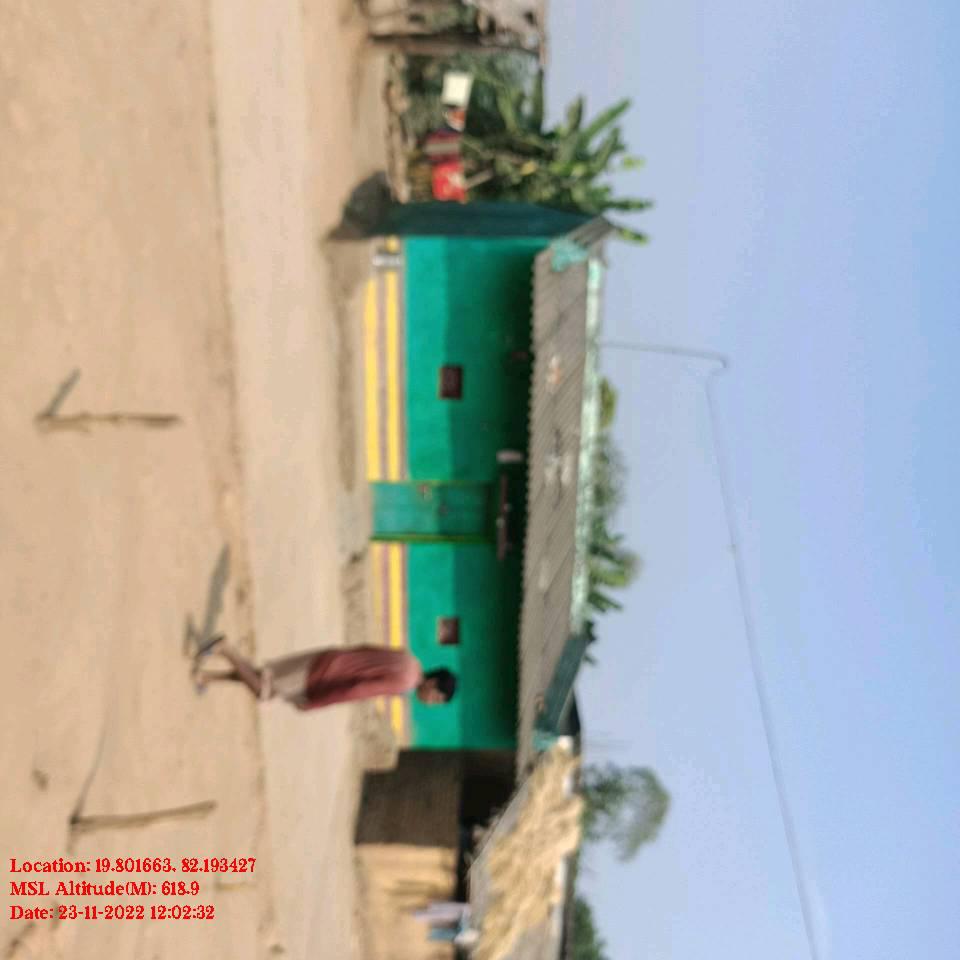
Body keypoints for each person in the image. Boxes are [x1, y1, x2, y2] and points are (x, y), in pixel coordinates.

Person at [192, 637, 456, 710]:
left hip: (330, 658)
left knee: (263, 677)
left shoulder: (409, 659)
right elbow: (357, 690)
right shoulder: (404, 683)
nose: (431, 702)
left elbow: (365, 648)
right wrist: (317, 701)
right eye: (436, 697)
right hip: (325, 674)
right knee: (265, 690)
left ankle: (207, 677)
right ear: (433, 682)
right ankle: (225, 648)